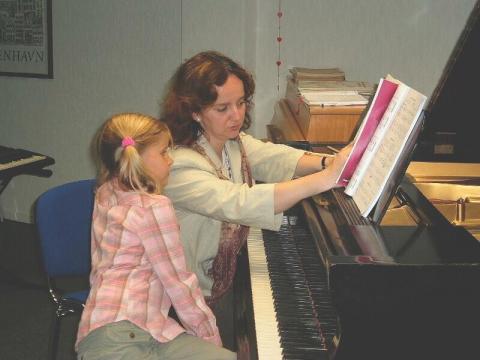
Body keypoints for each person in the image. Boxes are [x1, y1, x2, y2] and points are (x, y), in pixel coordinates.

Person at [161, 51, 352, 348]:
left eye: (240, 103)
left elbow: (272, 155)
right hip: (190, 297)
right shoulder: (179, 164)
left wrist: (328, 163)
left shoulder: (228, 142)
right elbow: (240, 202)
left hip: (223, 278)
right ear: (195, 112)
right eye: (222, 108)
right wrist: (325, 180)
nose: (236, 116)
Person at [75, 113, 236, 360]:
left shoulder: (107, 191)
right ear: (136, 159)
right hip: (120, 341)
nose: (170, 160)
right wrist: (211, 338)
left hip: (144, 330)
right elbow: (180, 285)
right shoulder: (154, 207)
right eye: (163, 153)